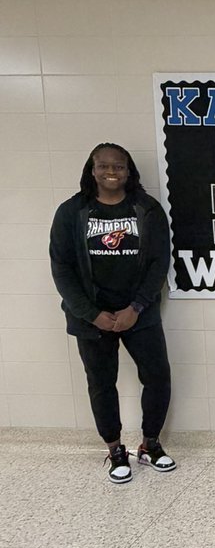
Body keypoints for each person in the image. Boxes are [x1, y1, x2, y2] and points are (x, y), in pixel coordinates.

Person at [49, 143, 176, 483]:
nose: (111, 171)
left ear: (129, 170)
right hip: (91, 319)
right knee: (101, 384)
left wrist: (135, 307)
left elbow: (158, 264)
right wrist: (91, 314)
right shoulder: (71, 212)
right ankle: (115, 449)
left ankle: (150, 444)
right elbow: (62, 269)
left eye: (118, 166)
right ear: (91, 170)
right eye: (103, 165)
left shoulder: (147, 210)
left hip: (140, 314)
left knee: (158, 376)